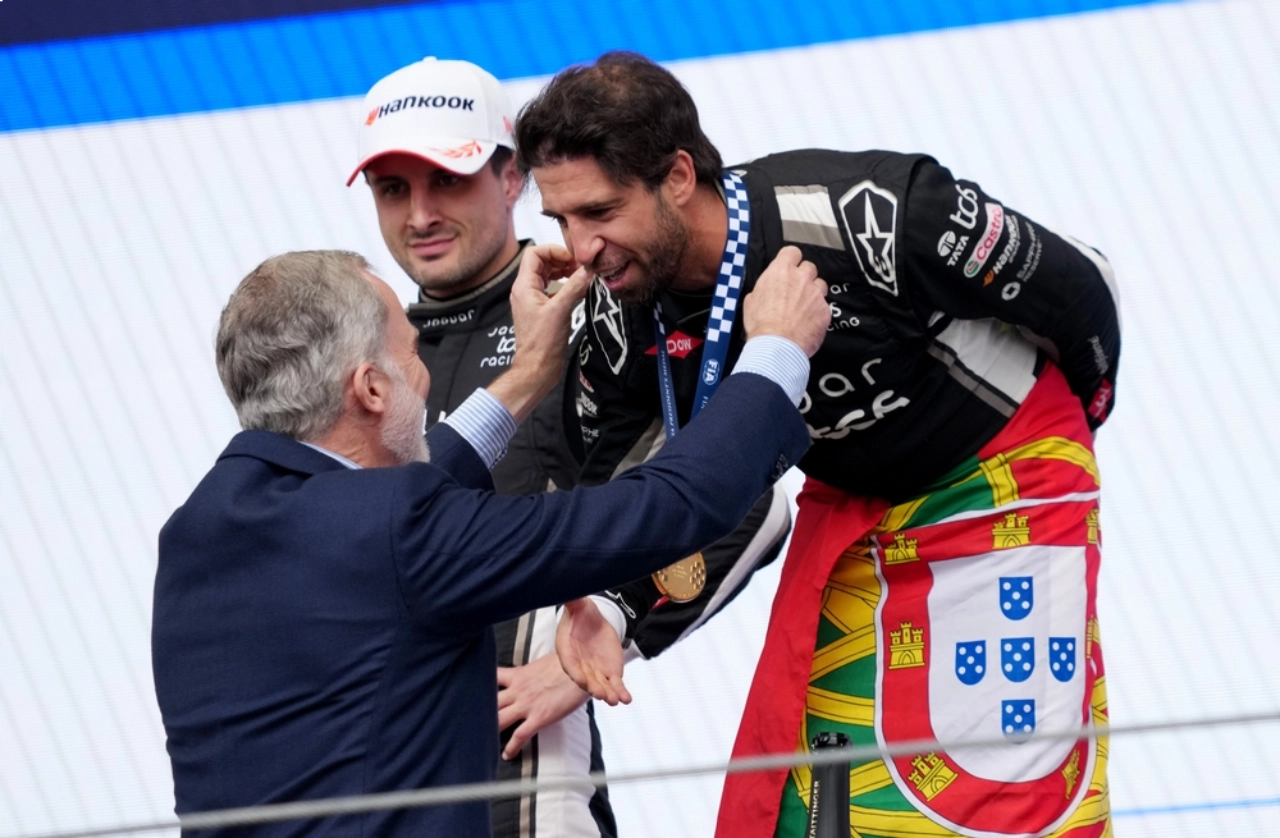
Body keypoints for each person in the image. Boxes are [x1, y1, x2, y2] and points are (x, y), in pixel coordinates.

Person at [516, 52, 1121, 838]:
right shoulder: (616, 314)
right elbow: (618, 492)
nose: (583, 247)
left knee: (994, 791)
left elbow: (1082, 290)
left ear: (675, 176)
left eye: (599, 212)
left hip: (1005, 485)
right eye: (562, 221)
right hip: (857, 513)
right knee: (812, 794)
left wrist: (1072, 448)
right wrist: (609, 606)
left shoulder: (871, 212)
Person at [152, 247, 827, 836]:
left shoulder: (197, 533)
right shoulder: (398, 535)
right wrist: (775, 353)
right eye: (412, 356)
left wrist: (530, 372)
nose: (425, 379)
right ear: (371, 388)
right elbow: (660, 510)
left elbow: (375, 513)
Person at [347, 57, 793, 837]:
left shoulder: (592, 312)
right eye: (394, 189)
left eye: (447, 180)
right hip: (377, 793)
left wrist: (599, 640)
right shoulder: (366, 354)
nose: (419, 214)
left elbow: (748, 495)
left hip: (528, 793)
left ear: (512, 177)